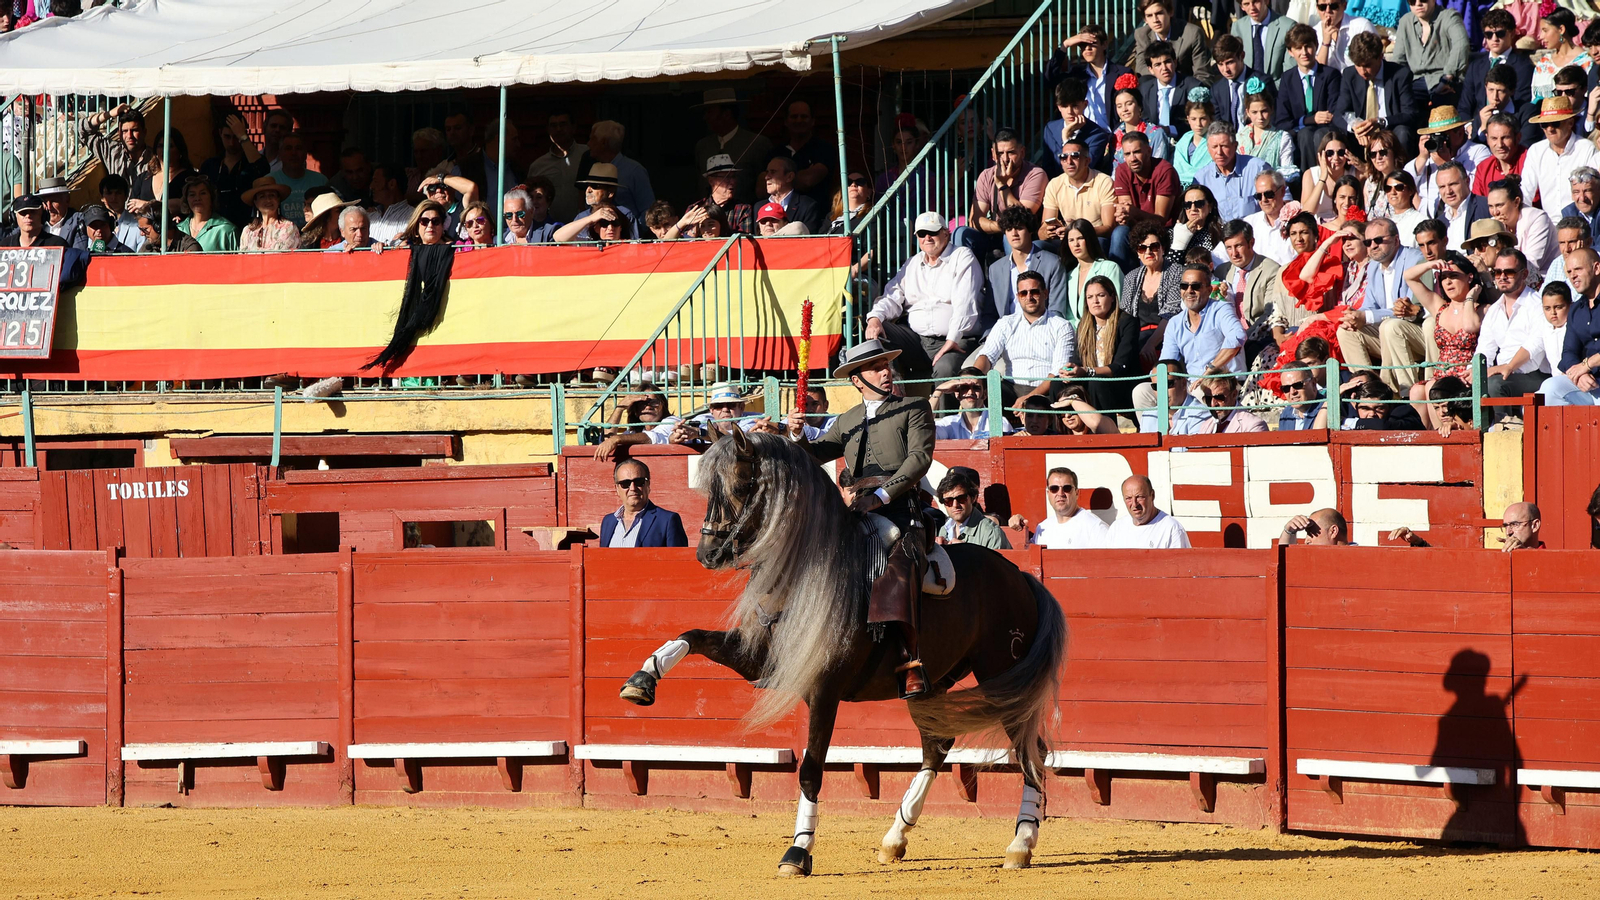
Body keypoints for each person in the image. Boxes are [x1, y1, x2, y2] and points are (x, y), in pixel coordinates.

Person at [787, 339, 936, 699]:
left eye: (887, 365)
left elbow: (919, 459)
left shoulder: (913, 407)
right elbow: (817, 455)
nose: (886, 372)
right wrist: (796, 433)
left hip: (902, 508)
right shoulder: (848, 420)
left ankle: (908, 658)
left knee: (899, 569)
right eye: (875, 367)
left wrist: (881, 497)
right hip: (856, 509)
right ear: (857, 379)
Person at [866, 212, 983, 387]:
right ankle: (894, 398)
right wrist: (875, 318)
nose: (927, 237)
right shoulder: (912, 263)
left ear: (946, 233)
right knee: (878, 331)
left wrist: (952, 340)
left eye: (933, 232)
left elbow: (965, 304)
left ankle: (943, 415)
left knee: (945, 368)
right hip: (918, 341)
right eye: (922, 234)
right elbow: (891, 296)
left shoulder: (962, 256)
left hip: (955, 341)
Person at [1336, 216, 1425, 386]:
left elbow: (1405, 311)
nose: (1373, 246)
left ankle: (1404, 392)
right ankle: (1368, 390)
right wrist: (1356, 317)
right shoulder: (1373, 266)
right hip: (1389, 332)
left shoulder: (1414, 260)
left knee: (1389, 326)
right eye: (1368, 242)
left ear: (1396, 239)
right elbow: (1369, 306)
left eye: (1378, 240)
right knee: (1346, 331)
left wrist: (1367, 317)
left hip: (1417, 331)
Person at [972, 269, 1077, 407]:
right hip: (1011, 387)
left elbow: (1059, 371)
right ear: (1018, 297)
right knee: (990, 390)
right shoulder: (1005, 323)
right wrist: (973, 379)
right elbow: (987, 355)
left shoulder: (1062, 326)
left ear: (1045, 294)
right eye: (1023, 293)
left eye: (1034, 292)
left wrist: (1029, 398)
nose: (1029, 297)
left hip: (1046, 390)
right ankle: (993, 428)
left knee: (1059, 385)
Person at [1403, 250, 1484, 411]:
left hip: (1466, 375)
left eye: (1453, 276)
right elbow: (1409, 277)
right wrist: (1430, 265)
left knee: (1433, 387)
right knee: (1417, 390)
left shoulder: (1482, 309)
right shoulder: (1439, 307)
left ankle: (1442, 434)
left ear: (1469, 277)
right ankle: (1428, 435)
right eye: (1443, 277)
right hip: (1442, 373)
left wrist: (1469, 299)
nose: (1448, 282)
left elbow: (1471, 326)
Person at [1335, 31, 1423, 155]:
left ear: (1380, 57)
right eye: (1358, 65)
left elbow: (1411, 114)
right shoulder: (1350, 75)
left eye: (1367, 65)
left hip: (1390, 132)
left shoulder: (1400, 75)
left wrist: (1381, 121)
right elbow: (1339, 113)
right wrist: (1356, 127)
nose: (1362, 71)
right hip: (1359, 137)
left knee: (1403, 132)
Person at [967, 129, 1048, 253]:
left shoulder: (1036, 174)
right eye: (1000, 153)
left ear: (1022, 152)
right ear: (993, 154)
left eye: (1011, 153)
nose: (1005, 159)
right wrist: (1003, 226)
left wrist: (1002, 186)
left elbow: (1021, 219)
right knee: (962, 233)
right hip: (994, 234)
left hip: (1026, 237)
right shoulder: (986, 175)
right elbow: (975, 220)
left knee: (1010, 235)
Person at [987, 207, 1068, 328]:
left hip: (1042, 332)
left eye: (1019, 228)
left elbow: (1057, 310)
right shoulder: (995, 269)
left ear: (1030, 230)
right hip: (1004, 334)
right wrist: (990, 335)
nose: (1014, 233)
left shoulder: (1053, 263)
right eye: (1009, 229)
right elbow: (989, 313)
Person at [1218, 218, 1286, 362]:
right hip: (1226, 338)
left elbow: (1270, 312)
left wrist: (1242, 339)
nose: (1234, 253)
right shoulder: (1222, 271)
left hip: (1257, 337)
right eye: (1228, 248)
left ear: (1251, 243)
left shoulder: (1271, 269)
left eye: (1238, 246)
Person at [1275, 23, 1340, 172]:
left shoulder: (1330, 75)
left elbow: (1335, 112)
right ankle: (1309, 180)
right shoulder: (1287, 78)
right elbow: (1281, 121)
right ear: (1290, 52)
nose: (1304, 52)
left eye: (1308, 46)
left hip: (1326, 132)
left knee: (1313, 134)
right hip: (1300, 135)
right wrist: (1307, 120)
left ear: (1316, 46)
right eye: (1298, 48)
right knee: (1304, 134)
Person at [1073, 274, 1141, 416]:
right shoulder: (1083, 326)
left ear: (1112, 297)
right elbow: (1077, 361)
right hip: (1091, 382)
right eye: (1090, 297)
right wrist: (1069, 370)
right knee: (1057, 383)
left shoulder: (1127, 322)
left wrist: (1088, 371)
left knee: (1097, 382)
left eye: (1101, 295)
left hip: (1120, 385)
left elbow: (1120, 366)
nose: (1095, 301)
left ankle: (1105, 432)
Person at [1109, 130, 1179, 267]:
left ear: (1148, 151)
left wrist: (1133, 212)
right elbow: (1126, 209)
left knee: (1148, 242)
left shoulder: (1164, 170)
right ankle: (1119, 282)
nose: (1132, 158)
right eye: (1127, 154)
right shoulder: (1122, 170)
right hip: (1135, 228)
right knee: (1119, 233)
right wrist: (1123, 215)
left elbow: (1161, 219)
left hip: (1164, 230)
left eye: (1137, 152)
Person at [1524, 96, 1599, 222]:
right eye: (1544, 124)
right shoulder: (1536, 151)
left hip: (1581, 223)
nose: (1549, 129)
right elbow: (1526, 192)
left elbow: (1593, 191)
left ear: (1570, 123)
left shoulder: (1586, 148)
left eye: (1555, 123)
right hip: (1547, 225)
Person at [1540, 247, 1600, 405]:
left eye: (1578, 269)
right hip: (1589, 384)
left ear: (1596, 268)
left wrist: (1587, 365)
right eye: (1569, 271)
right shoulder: (1575, 310)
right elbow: (1568, 353)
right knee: (1548, 390)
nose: (1573, 276)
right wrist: (1579, 374)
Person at [693, 89, 773, 204]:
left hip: (747, 215)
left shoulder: (757, 143)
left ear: (727, 114)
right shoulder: (702, 146)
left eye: (710, 112)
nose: (705, 117)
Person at [1121, 220, 1184, 364]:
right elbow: (1126, 317)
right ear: (1137, 252)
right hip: (1137, 339)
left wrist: (1150, 344)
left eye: (1154, 246)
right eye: (1142, 248)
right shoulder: (1131, 277)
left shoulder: (1176, 272)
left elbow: (1171, 315)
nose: (1148, 252)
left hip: (1167, 338)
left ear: (1163, 248)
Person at [1388, 0, 1469, 99]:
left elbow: (1461, 45)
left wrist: (1448, 76)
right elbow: (1399, 60)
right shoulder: (1405, 21)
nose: (1418, 4)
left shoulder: (1449, 17)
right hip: (1415, 81)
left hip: (1444, 78)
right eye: (1412, 1)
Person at [1012, 466, 1110, 548]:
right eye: (1054, 488)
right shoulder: (1043, 528)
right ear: (1048, 493)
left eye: (1066, 488)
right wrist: (1017, 528)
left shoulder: (1095, 527)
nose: (1060, 493)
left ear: (1076, 493)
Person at [1059, 25, 1133, 133]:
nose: (1087, 48)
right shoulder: (1077, 74)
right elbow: (1050, 78)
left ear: (1104, 44)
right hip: (1085, 137)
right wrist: (1065, 45)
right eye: (1083, 45)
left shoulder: (1122, 73)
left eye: (1092, 43)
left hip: (1114, 136)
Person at [199, 114, 269, 228]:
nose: (232, 143)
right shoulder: (210, 165)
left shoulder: (250, 163)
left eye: (236, 137)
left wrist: (243, 137)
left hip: (247, 227)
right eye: (227, 136)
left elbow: (263, 169)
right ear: (220, 133)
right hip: (215, 228)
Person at [599, 459, 689, 548]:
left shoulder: (667, 521)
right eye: (625, 484)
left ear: (648, 485)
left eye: (639, 482)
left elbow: (679, 560)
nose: (633, 488)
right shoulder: (608, 521)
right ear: (617, 489)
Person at [1462, 10, 1535, 115]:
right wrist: (1470, 127)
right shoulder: (1475, 66)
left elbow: (1521, 103)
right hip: (1477, 126)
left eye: (1500, 33)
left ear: (1512, 33)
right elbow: (1464, 106)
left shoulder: (1523, 66)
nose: (1494, 39)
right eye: (1489, 34)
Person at [1191, 122, 1266, 222]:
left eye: (1224, 146)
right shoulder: (1201, 178)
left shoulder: (1258, 169)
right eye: (1214, 147)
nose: (1219, 152)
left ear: (1235, 146)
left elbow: (1280, 203)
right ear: (1208, 149)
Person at [1042, 77, 1114, 178]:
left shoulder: (1097, 135)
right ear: (1058, 107)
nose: (1069, 112)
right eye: (1064, 106)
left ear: (1085, 105)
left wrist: (1066, 139)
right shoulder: (1051, 128)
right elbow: (1047, 166)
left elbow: (1082, 170)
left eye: (1075, 106)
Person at [525, 112, 588, 223]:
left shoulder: (587, 155)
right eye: (553, 126)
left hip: (583, 226)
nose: (558, 129)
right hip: (547, 229)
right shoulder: (538, 166)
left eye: (563, 124)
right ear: (548, 130)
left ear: (573, 127)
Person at [1133, 0, 1214, 83]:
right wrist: (1163, 78)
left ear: (1170, 12)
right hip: (1156, 85)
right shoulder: (1142, 34)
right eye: (1149, 16)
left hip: (1185, 86)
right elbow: (1141, 69)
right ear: (1145, 19)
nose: (1155, 20)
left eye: (1159, 13)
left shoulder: (1192, 34)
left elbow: (1203, 74)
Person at [1061, 216, 1121, 326]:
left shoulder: (1110, 268)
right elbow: (1070, 316)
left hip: (1107, 330)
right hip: (1078, 337)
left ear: (1089, 239)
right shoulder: (1070, 276)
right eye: (1071, 240)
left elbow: (1119, 305)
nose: (1076, 244)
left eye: (1080, 238)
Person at [1488, 176, 1554, 272]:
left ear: (1516, 202)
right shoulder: (1493, 223)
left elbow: (1532, 265)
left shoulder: (1537, 218)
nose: (1495, 212)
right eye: (1491, 206)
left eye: (1499, 205)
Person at [1140, 44, 1206, 140]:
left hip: (1186, 141)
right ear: (1151, 70)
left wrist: (1170, 130)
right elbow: (1144, 120)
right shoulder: (1145, 89)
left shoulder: (1193, 87)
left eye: (1167, 62)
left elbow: (1199, 122)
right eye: (1158, 65)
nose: (1164, 68)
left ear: (1175, 62)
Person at [1107, 475, 1191, 548]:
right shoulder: (1116, 529)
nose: (1134, 504)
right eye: (1128, 498)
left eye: (1139, 497)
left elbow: (1182, 565)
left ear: (1152, 495)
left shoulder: (1171, 529)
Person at [76, 101, 151, 182]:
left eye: (134, 130)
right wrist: (109, 114)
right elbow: (82, 129)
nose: (129, 136)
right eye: (125, 131)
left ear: (144, 132)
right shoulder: (113, 151)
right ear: (119, 133)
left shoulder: (155, 159)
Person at [935, 470, 1011, 550]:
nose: (955, 505)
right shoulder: (944, 530)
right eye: (948, 501)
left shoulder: (991, 532)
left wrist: (967, 551)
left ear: (973, 498)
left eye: (961, 498)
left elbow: (997, 562)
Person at [1530, 8, 1591, 104]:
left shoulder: (1586, 62)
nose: (1541, 36)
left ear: (1561, 29)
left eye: (1545, 31)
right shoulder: (1543, 64)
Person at [1237, 88, 1297, 186]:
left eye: (1264, 111)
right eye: (1254, 112)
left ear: (1271, 109)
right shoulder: (1239, 138)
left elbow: (1286, 173)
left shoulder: (1282, 137)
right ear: (1247, 112)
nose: (1260, 117)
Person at [563, 164, 639, 239]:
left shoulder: (625, 214)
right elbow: (560, 239)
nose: (588, 190)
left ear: (610, 193)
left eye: (595, 186)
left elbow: (634, 245)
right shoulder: (581, 217)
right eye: (587, 186)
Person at [1136, 358, 1209, 434]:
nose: (1162, 391)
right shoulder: (1149, 416)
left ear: (1183, 383)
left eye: (1169, 384)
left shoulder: (1200, 413)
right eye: (1156, 386)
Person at [271, 132, 329, 228]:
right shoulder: (270, 181)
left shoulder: (321, 181)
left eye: (298, 148)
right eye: (288, 148)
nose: (293, 153)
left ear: (305, 153)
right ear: (280, 154)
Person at [1432, 161, 1489, 251]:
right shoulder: (1440, 222)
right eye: (1442, 187)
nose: (1448, 191)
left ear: (1467, 181)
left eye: (1453, 184)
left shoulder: (1487, 207)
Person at [932, 374, 1011, 439]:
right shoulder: (949, 423)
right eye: (964, 388)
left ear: (985, 394)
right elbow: (923, 428)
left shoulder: (999, 423)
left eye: (976, 388)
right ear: (957, 394)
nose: (970, 392)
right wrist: (938, 391)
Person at [1230, 0, 1292, 82]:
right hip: (1246, 89)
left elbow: (1290, 71)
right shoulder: (1237, 27)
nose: (1252, 8)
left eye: (1256, 2)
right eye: (1246, 4)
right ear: (1242, 7)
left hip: (1277, 90)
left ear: (1266, 1)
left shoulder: (1287, 26)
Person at [761, 156, 823, 235]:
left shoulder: (807, 206)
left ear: (789, 177)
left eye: (773, 172)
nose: (767, 177)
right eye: (767, 172)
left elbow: (810, 242)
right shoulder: (758, 207)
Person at [1243, 171, 1295, 265]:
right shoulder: (1249, 223)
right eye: (1258, 196)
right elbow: (1222, 253)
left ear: (1282, 191)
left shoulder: (1298, 222)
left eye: (1269, 194)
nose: (1264, 200)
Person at [1471, 113, 1526, 198]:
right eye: (1494, 138)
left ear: (1518, 137)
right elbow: (1479, 205)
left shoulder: (1530, 161)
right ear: (1487, 138)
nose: (1500, 144)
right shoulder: (1483, 168)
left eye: (1505, 138)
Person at [238, 176, 299, 252]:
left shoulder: (288, 227)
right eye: (262, 196)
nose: (268, 200)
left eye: (272, 195)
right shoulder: (247, 231)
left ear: (278, 199)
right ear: (255, 202)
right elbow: (242, 260)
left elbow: (281, 258)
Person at [1194, 370, 1267, 432]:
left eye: (1219, 397)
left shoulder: (1253, 425)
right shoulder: (1205, 426)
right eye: (1208, 399)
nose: (1213, 404)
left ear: (1234, 394)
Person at [178, 176, 238, 252]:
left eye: (203, 193)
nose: (197, 198)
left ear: (212, 197)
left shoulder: (227, 230)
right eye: (192, 195)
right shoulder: (179, 229)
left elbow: (238, 262)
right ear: (186, 199)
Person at [1313, 0, 1375, 73]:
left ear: (1344, 6)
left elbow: (1374, 62)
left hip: (1358, 80)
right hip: (1330, 82)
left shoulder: (1362, 26)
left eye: (1333, 6)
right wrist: (1325, 43)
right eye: (1322, 7)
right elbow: (1318, 73)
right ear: (1317, 8)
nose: (1328, 11)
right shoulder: (1314, 32)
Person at [366, 162, 416, 245]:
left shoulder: (412, 217)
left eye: (376, 181)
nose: (371, 186)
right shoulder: (370, 216)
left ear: (392, 184)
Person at [1170, 93, 1215, 186]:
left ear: (1210, 119)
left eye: (1202, 119)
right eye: (1194, 119)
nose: (1198, 124)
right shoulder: (1184, 140)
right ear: (1188, 119)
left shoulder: (1214, 141)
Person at [1350, 377, 1425, 429]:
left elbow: (1383, 426)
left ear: (1390, 406)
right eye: (1365, 408)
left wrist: (1349, 423)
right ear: (1354, 405)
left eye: (1379, 408)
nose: (1372, 414)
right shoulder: (1352, 411)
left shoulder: (1403, 411)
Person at [0, 195, 69, 248]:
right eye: (23, 213)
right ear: (14, 217)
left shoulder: (57, 244)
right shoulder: (5, 245)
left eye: (33, 212)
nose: (28, 216)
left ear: (43, 215)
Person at [553, 202, 629, 244]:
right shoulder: (589, 245)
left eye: (615, 222)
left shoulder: (631, 246)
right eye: (604, 223)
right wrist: (590, 218)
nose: (610, 228)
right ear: (596, 228)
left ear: (621, 227)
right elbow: (558, 238)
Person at [829, 169, 874, 235]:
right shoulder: (831, 216)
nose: (853, 184)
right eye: (848, 182)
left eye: (860, 182)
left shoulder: (873, 216)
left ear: (869, 192)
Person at [1279, 508, 1353, 545]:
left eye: (1312, 533)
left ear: (1333, 531)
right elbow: (1287, 560)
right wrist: (1289, 532)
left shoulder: (1359, 561)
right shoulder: (1313, 561)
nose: (1306, 541)